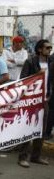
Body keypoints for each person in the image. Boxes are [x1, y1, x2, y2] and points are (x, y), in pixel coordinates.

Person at [18, 39, 52, 168]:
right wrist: (37, 75)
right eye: (47, 47)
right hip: (31, 100)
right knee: (28, 128)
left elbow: (50, 80)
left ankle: (35, 156)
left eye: (50, 47)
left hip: (45, 100)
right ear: (40, 49)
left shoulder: (50, 62)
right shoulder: (30, 61)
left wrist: (49, 94)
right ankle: (22, 157)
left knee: (41, 130)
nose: (50, 50)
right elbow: (23, 80)